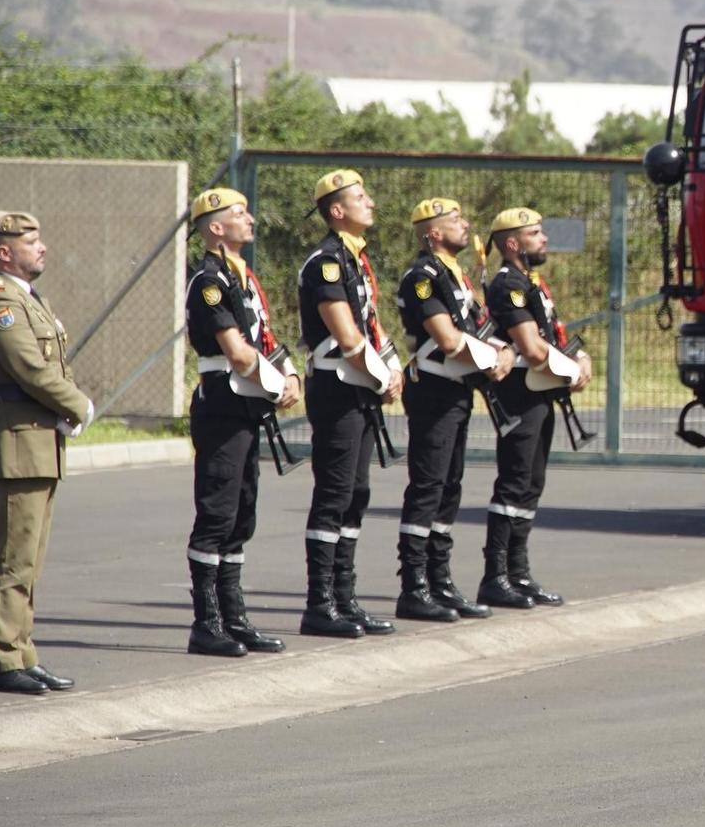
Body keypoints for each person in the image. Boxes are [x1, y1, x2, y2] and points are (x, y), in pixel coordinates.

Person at [0, 211, 95, 695]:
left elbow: (49, 364)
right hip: (17, 438)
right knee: (13, 558)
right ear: (4, 252)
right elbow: (29, 368)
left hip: (39, 438)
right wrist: (77, 403)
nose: (41, 247)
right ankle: (1, 659)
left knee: (31, 559)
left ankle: (22, 651)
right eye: (30, 240)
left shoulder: (28, 299)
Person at [182, 188, 302, 657]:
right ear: (215, 227)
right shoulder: (209, 280)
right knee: (216, 513)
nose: (250, 219)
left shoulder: (243, 277)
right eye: (239, 213)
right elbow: (234, 350)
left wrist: (289, 374)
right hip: (223, 404)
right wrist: (277, 382)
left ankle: (234, 617)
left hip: (250, 403)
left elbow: (263, 338)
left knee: (240, 515)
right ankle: (206, 622)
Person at [393, 197, 507, 622]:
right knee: (428, 487)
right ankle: (414, 586)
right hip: (434, 390)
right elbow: (447, 338)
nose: (465, 224)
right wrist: (489, 358)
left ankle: (440, 581)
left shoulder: (455, 275)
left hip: (457, 388)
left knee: (450, 487)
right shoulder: (422, 276)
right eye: (455, 220)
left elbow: (475, 330)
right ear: (433, 233)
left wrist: (502, 350)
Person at [298, 169, 401, 638]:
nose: (371, 203)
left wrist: (391, 367)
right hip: (339, 387)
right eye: (361, 197)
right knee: (335, 494)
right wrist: (383, 378)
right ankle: (321, 604)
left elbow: (370, 326)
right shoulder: (327, 262)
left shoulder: (355, 260)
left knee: (356, 494)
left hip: (360, 384)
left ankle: (346, 598)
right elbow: (345, 334)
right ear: (337, 210)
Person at [478, 206, 589, 610]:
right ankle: (496, 577)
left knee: (532, 482)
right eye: (535, 233)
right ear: (512, 243)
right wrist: (570, 368)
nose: (544, 239)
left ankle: (519, 573)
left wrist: (581, 357)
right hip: (520, 391)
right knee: (514, 480)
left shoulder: (532, 282)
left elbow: (552, 334)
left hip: (541, 388)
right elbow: (529, 344)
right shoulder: (509, 284)